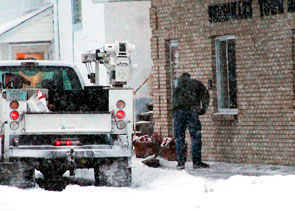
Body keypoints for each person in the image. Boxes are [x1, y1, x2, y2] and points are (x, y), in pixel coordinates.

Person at [172, 72, 210, 170]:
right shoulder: (195, 83)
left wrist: (175, 114)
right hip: (192, 111)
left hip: (178, 113)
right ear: (189, 77)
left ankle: (180, 162)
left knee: (179, 137)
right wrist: (203, 108)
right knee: (195, 137)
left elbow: (173, 102)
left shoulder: (177, 87)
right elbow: (205, 95)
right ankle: (196, 162)